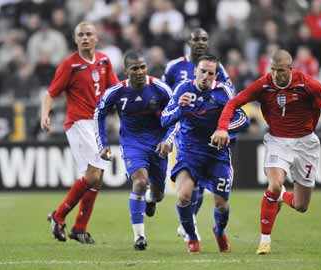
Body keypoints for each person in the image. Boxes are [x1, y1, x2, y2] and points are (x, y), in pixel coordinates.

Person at [210, 49, 321, 255]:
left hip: (306, 144)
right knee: (274, 184)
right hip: (277, 141)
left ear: (290, 69)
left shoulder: (308, 84)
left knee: (301, 205)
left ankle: (281, 197)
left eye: (281, 71)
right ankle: (265, 240)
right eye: (274, 70)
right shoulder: (264, 84)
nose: (277, 75)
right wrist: (222, 127)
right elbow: (233, 103)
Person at [161, 55, 249, 253]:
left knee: (221, 202)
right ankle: (192, 237)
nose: (206, 76)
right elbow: (164, 119)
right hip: (189, 152)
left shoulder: (223, 92)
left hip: (217, 154)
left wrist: (224, 129)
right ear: (195, 72)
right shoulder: (183, 89)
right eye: (202, 71)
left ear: (216, 75)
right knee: (183, 196)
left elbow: (243, 119)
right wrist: (179, 109)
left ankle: (219, 230)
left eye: (210, 73)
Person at [41, 21, 119, 244]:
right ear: (75, 40)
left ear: (96, 38)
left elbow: (115, 90)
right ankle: (58, 216)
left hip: (97, 125)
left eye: (89, 34)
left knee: (98, 178)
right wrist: (45, 114)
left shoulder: (104, 60)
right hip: (78, 123)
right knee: (93, 175)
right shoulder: (69, 65)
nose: (85, 38)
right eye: (80, 35)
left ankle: (79, 228)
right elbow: (50, 93)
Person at [95, 51, 175, 250]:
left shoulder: (160, 88)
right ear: (126, 70)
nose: (139, 72)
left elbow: (177, 116)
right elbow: (99, 113)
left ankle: (151, 199)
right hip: (132, 144)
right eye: (134, 68)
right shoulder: (116, 92)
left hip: (158, 145)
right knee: (140, 181)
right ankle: (139, 237)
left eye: (142, 67)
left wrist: (168, 140)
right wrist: (102, 144)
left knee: (158, 194)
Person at [162, 27, 233, 240]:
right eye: (196, 39)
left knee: (217, 199)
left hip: (215, 146)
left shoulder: (221, 82)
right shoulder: (175, 69)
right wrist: (176, 116)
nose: (200, 42)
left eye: (205, 38)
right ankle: (190, 231)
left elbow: (234, 108)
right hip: (187, 139)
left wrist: (224, 128)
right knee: (186, 192)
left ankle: (216, 230)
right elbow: (165, 103)